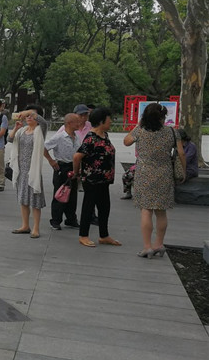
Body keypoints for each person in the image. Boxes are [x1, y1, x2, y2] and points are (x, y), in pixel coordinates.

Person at [124, 103, 186, 257]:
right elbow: (181, 153)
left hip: (144, 173)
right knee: (161, 211)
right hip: (164, 174)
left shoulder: (140, 131)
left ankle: (147, 247)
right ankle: (159, 244)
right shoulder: (172, 132)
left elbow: (126, 141)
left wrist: (137, 125)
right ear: (163, 117)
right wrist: (183, 171)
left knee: (146, 210)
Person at [72, 107, 121, 248]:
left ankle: (104, 235)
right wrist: (76, 173)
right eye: (109, 119)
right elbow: (77, 156)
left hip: (104, 179)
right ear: (101, 121)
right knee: (89, 207)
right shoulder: (91, 138)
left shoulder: (104, 135)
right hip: (92, 179)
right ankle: (83, 235)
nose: (111, 121)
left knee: (104, 207)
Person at [8, 110, 46, 238]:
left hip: (33, 170)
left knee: (35, 200)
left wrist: (28, 112)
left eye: (31, 116)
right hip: (21, 169)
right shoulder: (22, 130)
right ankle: (25, 225)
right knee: (23, 199)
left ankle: (36, 228)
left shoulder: (40, 130)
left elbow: (42, 121)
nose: (28, 118)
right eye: (27, 117)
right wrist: (15, 128)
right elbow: (9, 139)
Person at [44, 113, 81, 230]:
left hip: (73, 167)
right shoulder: (59, 137)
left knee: (73, 195)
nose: (79, 123)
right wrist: (51, 161)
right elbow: (44, 147)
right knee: (60, 194)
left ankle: (71, 219)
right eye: (77, 121)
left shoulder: (76, 137)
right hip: (62, 167)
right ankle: (55, 220)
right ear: (69, 123)